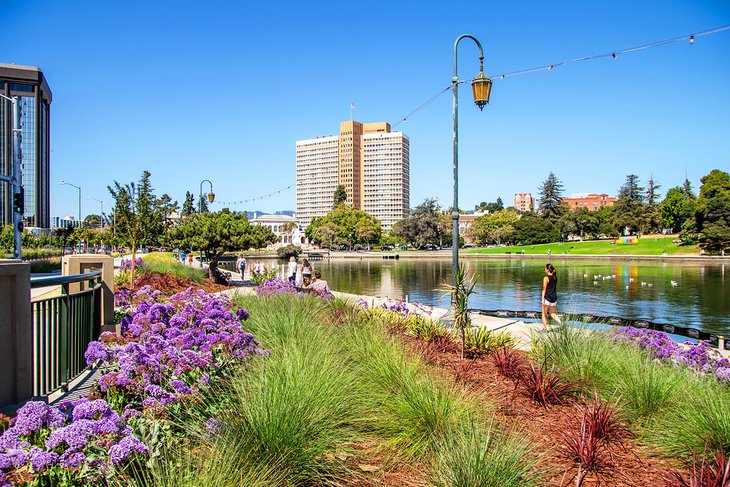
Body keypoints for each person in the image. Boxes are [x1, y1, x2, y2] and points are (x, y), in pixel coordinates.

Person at [541, 263, 562, 329]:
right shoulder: (555, 277)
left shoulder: (546, 278)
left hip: (548, 297)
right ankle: (561, 323)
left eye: (545, 268)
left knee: (544, 313)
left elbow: (544, 289)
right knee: (552, 313)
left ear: (547, 270)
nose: (544, 270)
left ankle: (546, 328)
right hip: (554, 297)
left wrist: (542, 298)